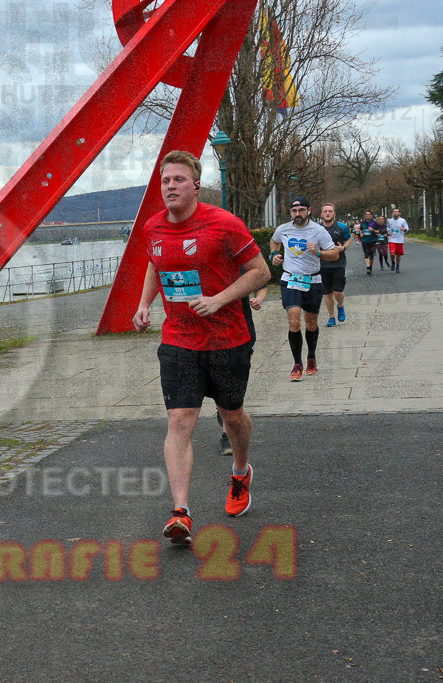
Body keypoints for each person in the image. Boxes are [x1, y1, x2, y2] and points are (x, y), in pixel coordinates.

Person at [132, 150, 270, 544]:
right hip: (178, 339)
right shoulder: (153, 228)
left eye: (178, 179)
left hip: (228, 338)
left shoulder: (224, 224)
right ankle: (181, 512)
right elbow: (155, 265)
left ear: (195, 185)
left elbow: (261, 271)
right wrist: (144, 305)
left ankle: (240, 472)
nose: (170, 186)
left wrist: (220, 299)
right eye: (165, 181)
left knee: (232, 416)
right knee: (180, 421)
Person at [270, 198, 339, 380]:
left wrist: (318, 253)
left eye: (301, 210)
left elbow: (334, 254)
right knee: (294, 322)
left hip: (313, 281)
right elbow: (274, 241)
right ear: (290, 212)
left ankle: (311, 357)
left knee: (311, 323)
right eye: (294, 210)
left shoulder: (318, 231)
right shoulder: (283, 229)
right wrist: (274, 255)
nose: (297, 214)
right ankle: (297, 364)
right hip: (290, 280)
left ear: (309, 210)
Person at [217, 285, 267, 455]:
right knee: (223, 381)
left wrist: (258, 299)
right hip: (213, 329)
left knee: (236, 381)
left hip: (242, 329)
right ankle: (226, 432)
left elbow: (261, 287)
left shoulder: (242, 261)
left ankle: (227, 413)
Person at [318, 203, 352, 327]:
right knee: (327, 293)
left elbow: (349, 239)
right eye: (325, 211)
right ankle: (331, 317)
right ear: (321, 214)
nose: (327, 213)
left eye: (330, 211)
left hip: (339, 263)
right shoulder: (317, 228)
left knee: (338, 292)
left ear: (334, 214)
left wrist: (343, 247)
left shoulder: (342, 227)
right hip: (322, 264)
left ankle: (341, 306)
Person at [386, 207, 409, 273]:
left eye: (397, 211)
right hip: (392, 239)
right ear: (393, 213)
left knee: (398, 255)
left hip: (400, 240)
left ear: (399, 213)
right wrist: (388, 231)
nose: (395, 213)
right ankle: (393, 262)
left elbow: (407, 228)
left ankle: (397, 266)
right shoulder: (389, 221)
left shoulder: (403, 220)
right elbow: (388, 228)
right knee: (392, 253)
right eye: (394, 212)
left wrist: (403, 229)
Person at [357, 210, 378, 275]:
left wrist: (373, 230)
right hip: (364, 240)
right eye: (366, 214)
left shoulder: (374, 223)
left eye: (368, 214)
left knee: (371, 255)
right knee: (366, 254)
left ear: (371, 215)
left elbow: (378, 231)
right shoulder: (362, 223)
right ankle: (368, 268)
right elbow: (360, 229)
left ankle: (370, 266)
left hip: (372, 240)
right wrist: (361, 234)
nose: (367, 215)